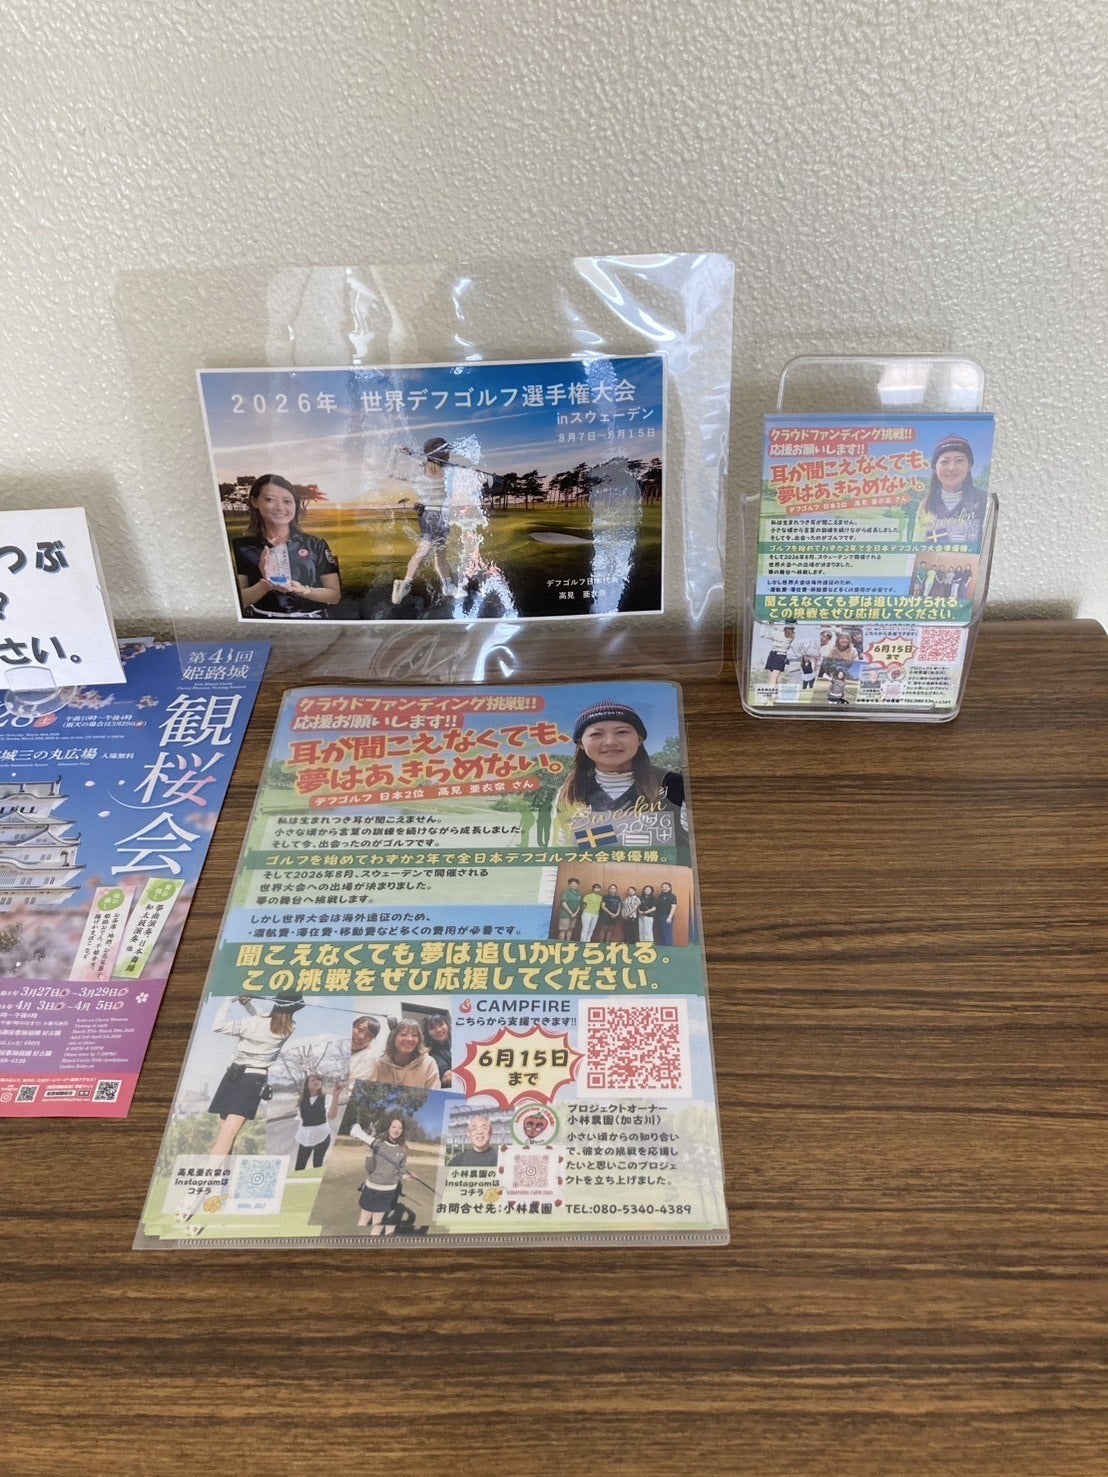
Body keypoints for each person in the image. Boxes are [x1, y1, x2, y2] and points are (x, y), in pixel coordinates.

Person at [553, 702, 686, 848]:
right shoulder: (569, 793)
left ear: (639, 739)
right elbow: (559, 850)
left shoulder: (674, 785)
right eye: (596, 734)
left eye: (622, 732)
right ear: (580, 744)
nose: (610, 742)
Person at [207, 991, 303, 1156]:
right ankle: (221, 1171)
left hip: (234, 1077)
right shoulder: (290, 1027)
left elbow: (218, 1025)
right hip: (253, 1079)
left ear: (275, 1004)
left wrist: (229, 1001)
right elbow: (265, 1019)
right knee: (228, 1134)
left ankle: (210, 1172)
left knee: (226, 1133)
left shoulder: (252, 1023)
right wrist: (247, 1004)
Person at [233, 474, 341, 619]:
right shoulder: (241, 547)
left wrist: (303, 590)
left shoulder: (315, 544)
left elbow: (334, 596)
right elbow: (240, 601)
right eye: (270, 499)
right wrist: (265, 585)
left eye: (287, 501)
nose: (280, 507)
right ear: (254, 501)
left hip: (313, 623)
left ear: (295, 505)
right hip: (264, 624)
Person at [392, 438, 456, 605]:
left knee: (440, 552)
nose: (449, 454)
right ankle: (405, 584)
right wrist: (395, 452)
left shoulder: (448, 470)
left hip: (444, 515)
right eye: (446, 451)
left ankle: (447, 585)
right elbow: (391, 472)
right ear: (440, 454)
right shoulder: (417, 472)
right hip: (429, 515)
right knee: (424, 550)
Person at [915, 434, 988, 546]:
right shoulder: (926, 504)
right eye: (945, 461)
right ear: (934, 468)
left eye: (959, 460)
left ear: (969, 465)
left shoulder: (985, 501)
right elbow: (917, 546)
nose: (952, 467)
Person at [352, 1118, 412, 1235]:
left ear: (403, 1130)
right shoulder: (377, 1143)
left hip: (388, 1192)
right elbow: (370, 1169)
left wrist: (405, 1176)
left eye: (400, 1128)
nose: (396, 1130)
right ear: (388, 1128)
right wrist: (369, 1153)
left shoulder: (403, 1150)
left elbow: (400, 1170)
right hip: (371, 1189)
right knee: (363, 1221)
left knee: (377, 1223)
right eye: (393, 1127)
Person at [369, 1017, 441, 1089]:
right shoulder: (380, 1064)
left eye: (414, 1035)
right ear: (393, 1038)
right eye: (403, 1034)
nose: (409, 1039)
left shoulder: (428, 1063)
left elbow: (434, 1094)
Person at [293, 1073, 342, 1171]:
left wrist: (335, 1096)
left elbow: (331, 1116)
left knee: (317, 1164)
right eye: (313, 1080)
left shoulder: (326, 1098)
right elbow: (302, 1119)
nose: (317, 1081)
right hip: (306, 1137)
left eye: (319, 1080)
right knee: (299, 1166)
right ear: (307, 1085)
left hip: (322, 1135)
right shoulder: (302, 1100)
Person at [423, 1012, 453, 1089]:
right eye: (432, 1028)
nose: (439, 1030)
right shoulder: (431, 1054)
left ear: (447, 1025)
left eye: (441, 1024)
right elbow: (447, 1077)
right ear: (428, 1033)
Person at [348, 1015, 383, 1080]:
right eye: (360, 1029)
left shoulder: (368, 1058)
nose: (361, 1036)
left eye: (369, 1035)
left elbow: (352, 1084)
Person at [655, 881, 678, 946]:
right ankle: (662, 946)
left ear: (670, 888)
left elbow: (673, 907)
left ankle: (668, 947)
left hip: (667, 916)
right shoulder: (660, 896)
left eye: (666, 887)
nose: (664, 888)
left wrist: (669, 917)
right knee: (661, 932)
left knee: (667, 932)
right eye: (662, 887)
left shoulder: (672, 896)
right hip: (659, 916)